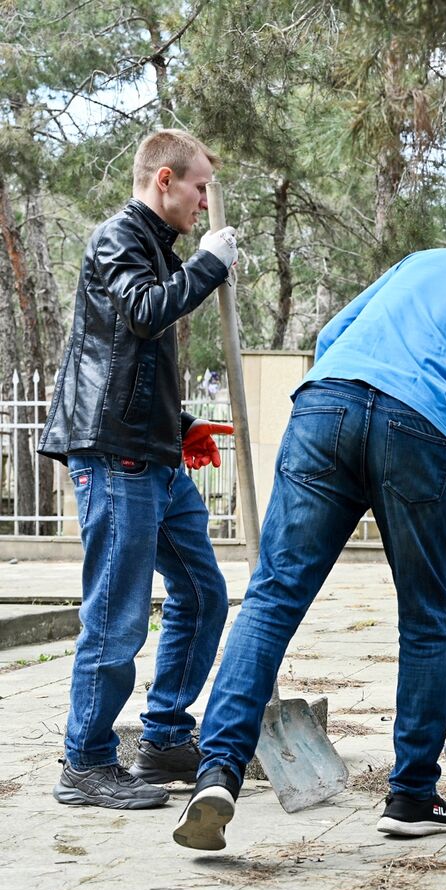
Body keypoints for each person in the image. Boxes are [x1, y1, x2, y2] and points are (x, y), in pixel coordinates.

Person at [173, 231, 446, 851]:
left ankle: (218, 771)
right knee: (424, 619)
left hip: (323, 408)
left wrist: (353, 420)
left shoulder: (430, 260)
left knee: (272, 597)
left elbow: (331, 334)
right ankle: (412, 796)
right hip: (418, 430)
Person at [38, 129, 238, 809]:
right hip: (114, 454)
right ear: (164, 181)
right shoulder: (118, 237)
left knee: (204, 591)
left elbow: (128, 352)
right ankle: (88, 762)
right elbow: (146, 315)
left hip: (150, 450)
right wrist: (208, 266)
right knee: (119, 615)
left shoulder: (154, 247)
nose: (204, 200)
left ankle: (162, 738)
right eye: (199, 185)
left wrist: (180, 427)